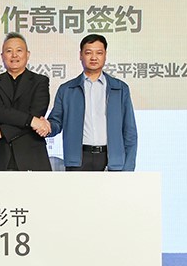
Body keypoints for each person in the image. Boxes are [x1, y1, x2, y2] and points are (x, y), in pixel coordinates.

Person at [39, 34, 138, 171]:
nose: (94, 57)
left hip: (112, 160)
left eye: (99, 53)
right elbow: (56, 122)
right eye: (88, 52)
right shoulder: (67, 89)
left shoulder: (120, 89)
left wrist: (128, 167)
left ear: (105, 55)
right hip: (78, 160)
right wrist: (46, 126)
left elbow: (129, 132)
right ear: (80, 55)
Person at [0, 32, 52, 171]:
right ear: (2, 56)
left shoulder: (40, 81)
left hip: (32, 153)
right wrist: (30, 120)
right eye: (9, 51)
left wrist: (3, 131)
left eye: (19, 50)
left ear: (28, 54)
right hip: (1, 154)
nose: (14, 55)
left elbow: (36, 112)